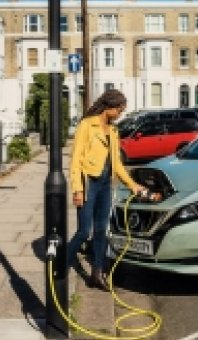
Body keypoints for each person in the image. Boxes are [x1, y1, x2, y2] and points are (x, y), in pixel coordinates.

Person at [68, 89, 145, 291]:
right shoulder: (87, 125)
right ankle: (61, 264)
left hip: (104, 185)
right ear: (109, 107)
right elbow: (76, 159)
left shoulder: (113, 130)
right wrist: (77, 189)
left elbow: (117, 164)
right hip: (88, 183)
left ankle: (97, 274)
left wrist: (133, 185)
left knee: (102, 230)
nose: (120, 113)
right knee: (85, 231)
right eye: (119, 109)